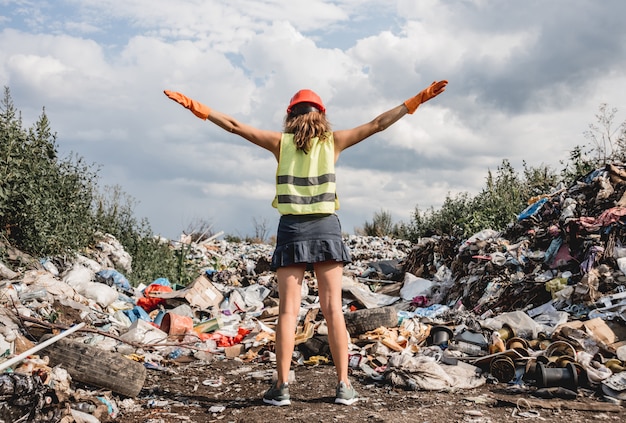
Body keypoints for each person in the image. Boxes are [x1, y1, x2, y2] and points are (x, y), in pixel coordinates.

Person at [163, 79, 448, 406]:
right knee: (333, 311)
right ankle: (343, 386)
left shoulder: (280, 143)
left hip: (293, 230)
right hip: (326, 228)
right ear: (322, 116)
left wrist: (195, 106)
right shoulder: (334, 142)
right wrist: (416, 100)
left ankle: (281, 387)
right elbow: (378, 124)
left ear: (290, 117)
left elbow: (234, 126)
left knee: (288, 313)